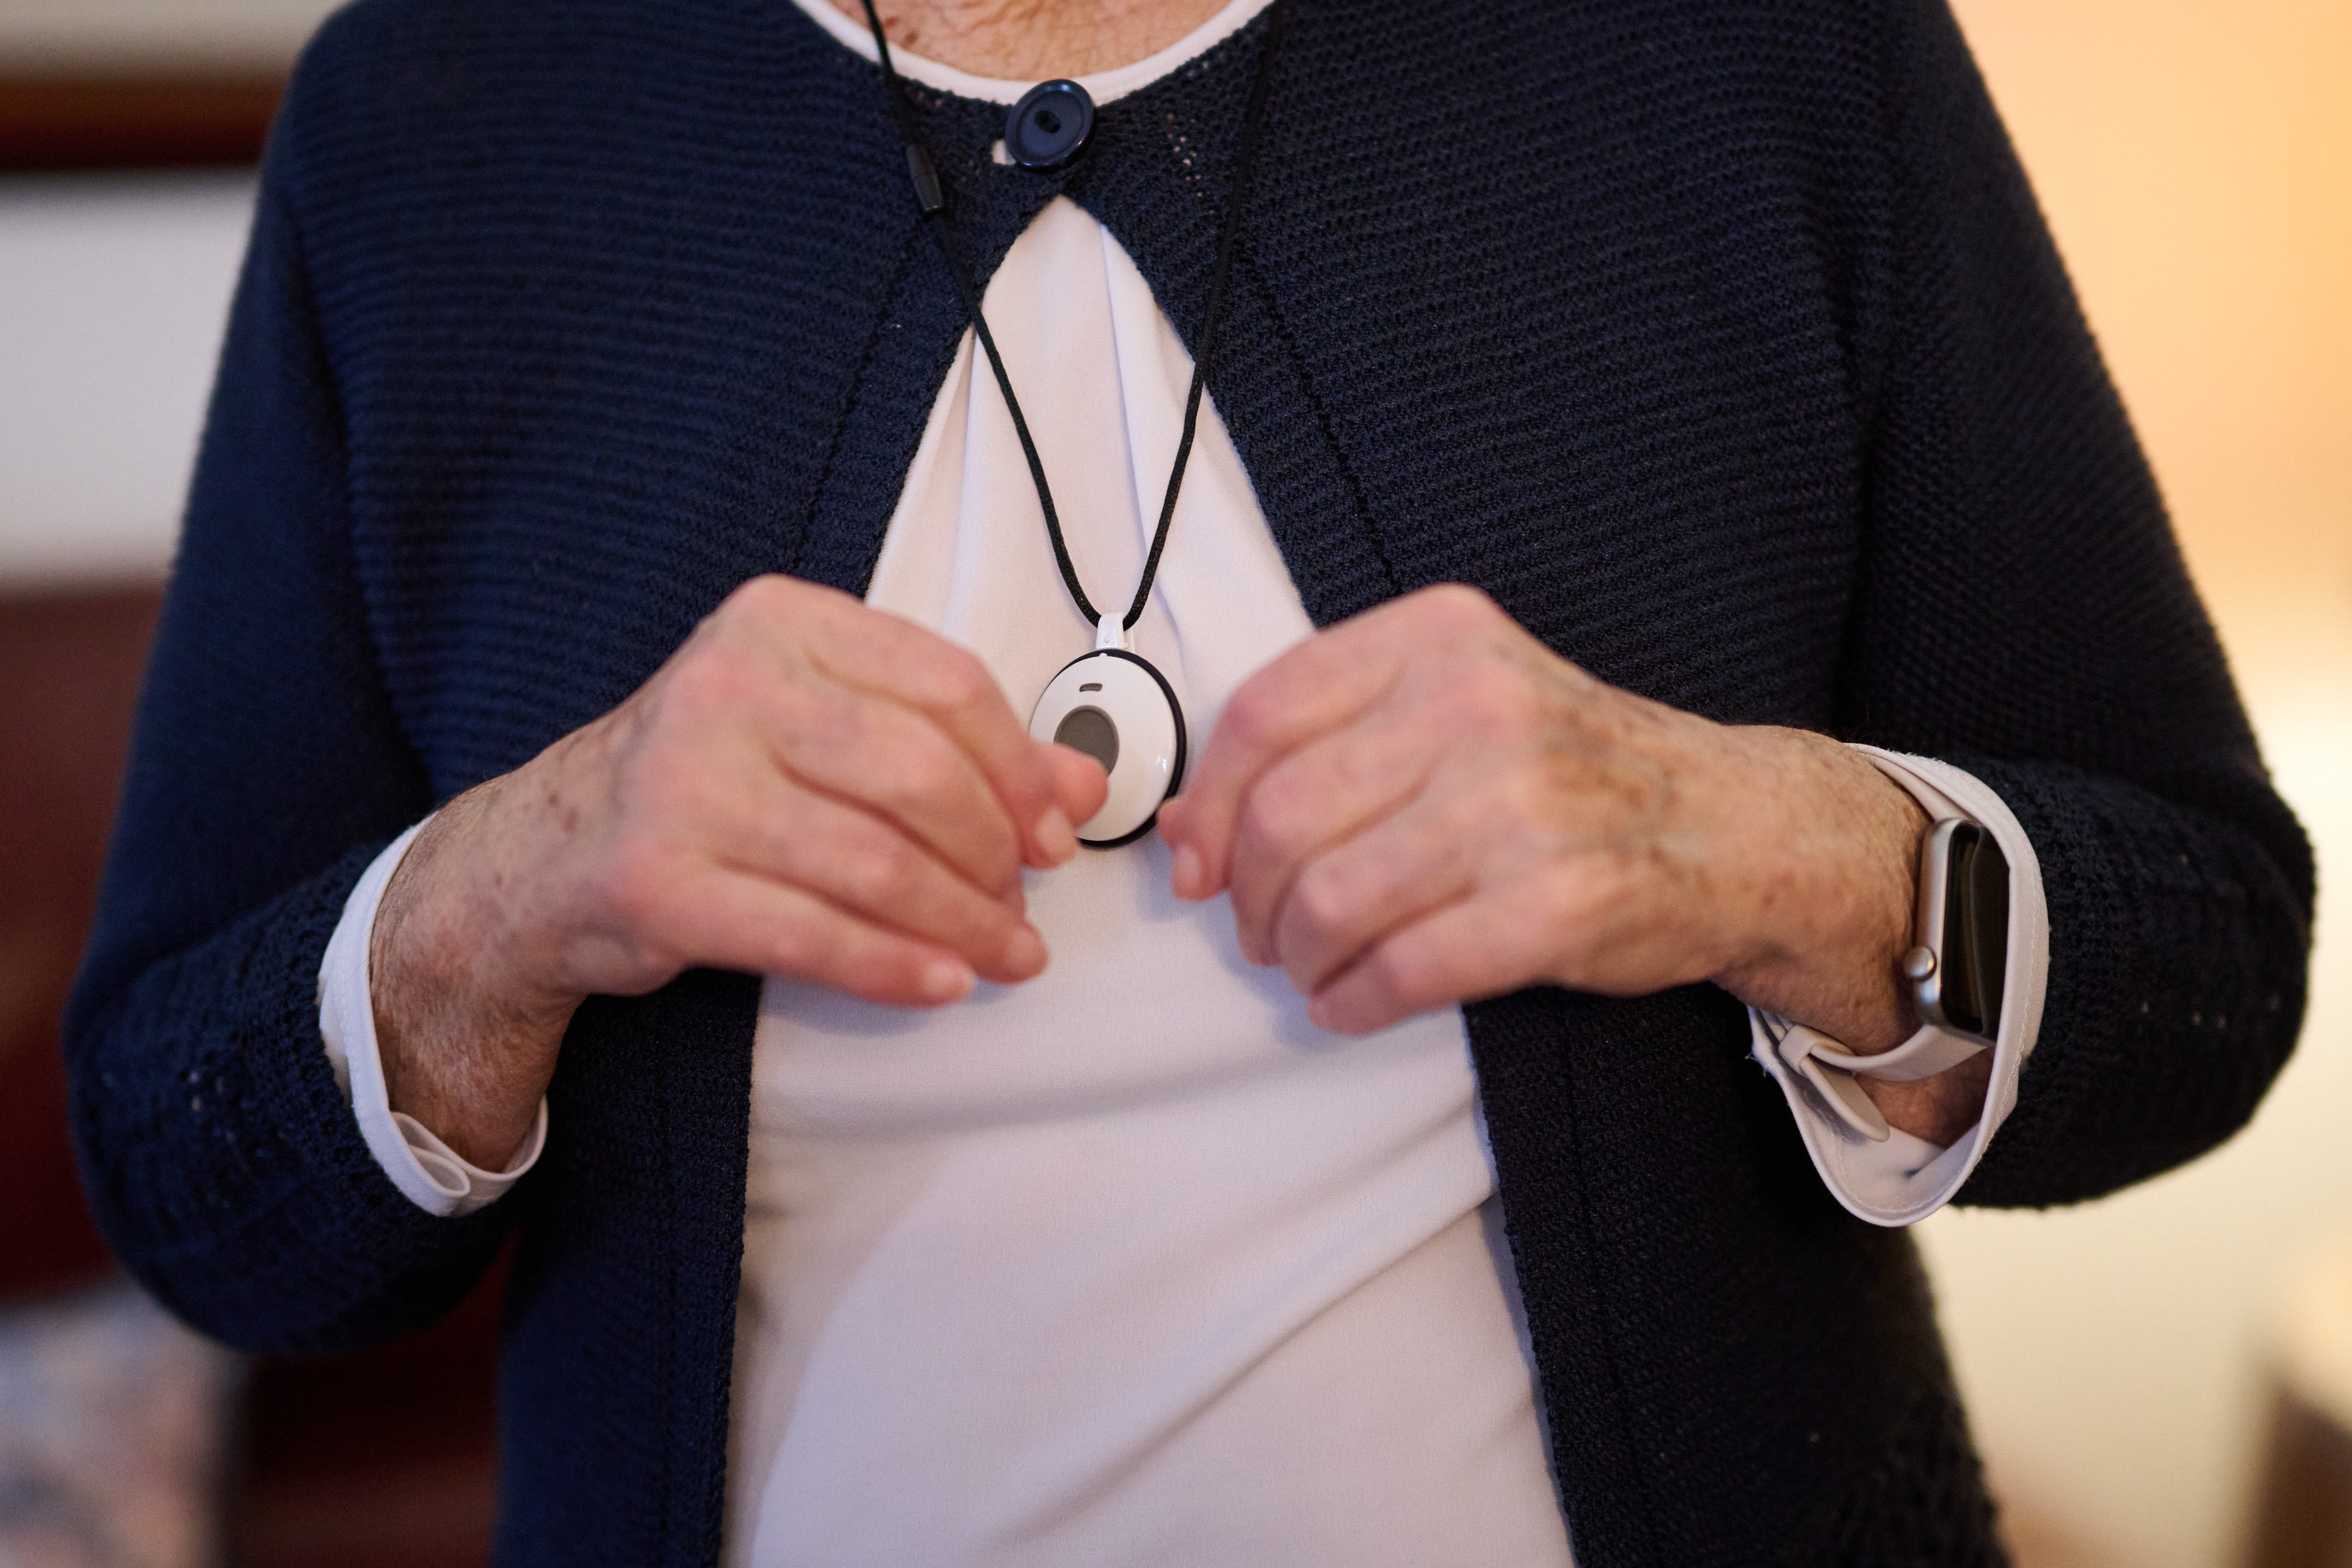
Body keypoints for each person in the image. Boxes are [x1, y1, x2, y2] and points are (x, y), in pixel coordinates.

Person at [66, 0, 2312, 1562]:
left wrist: (1759, 845)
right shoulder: (428, 117)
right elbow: (187, 1182)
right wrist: (520, 883)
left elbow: (2204, 965)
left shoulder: (1764, 49)